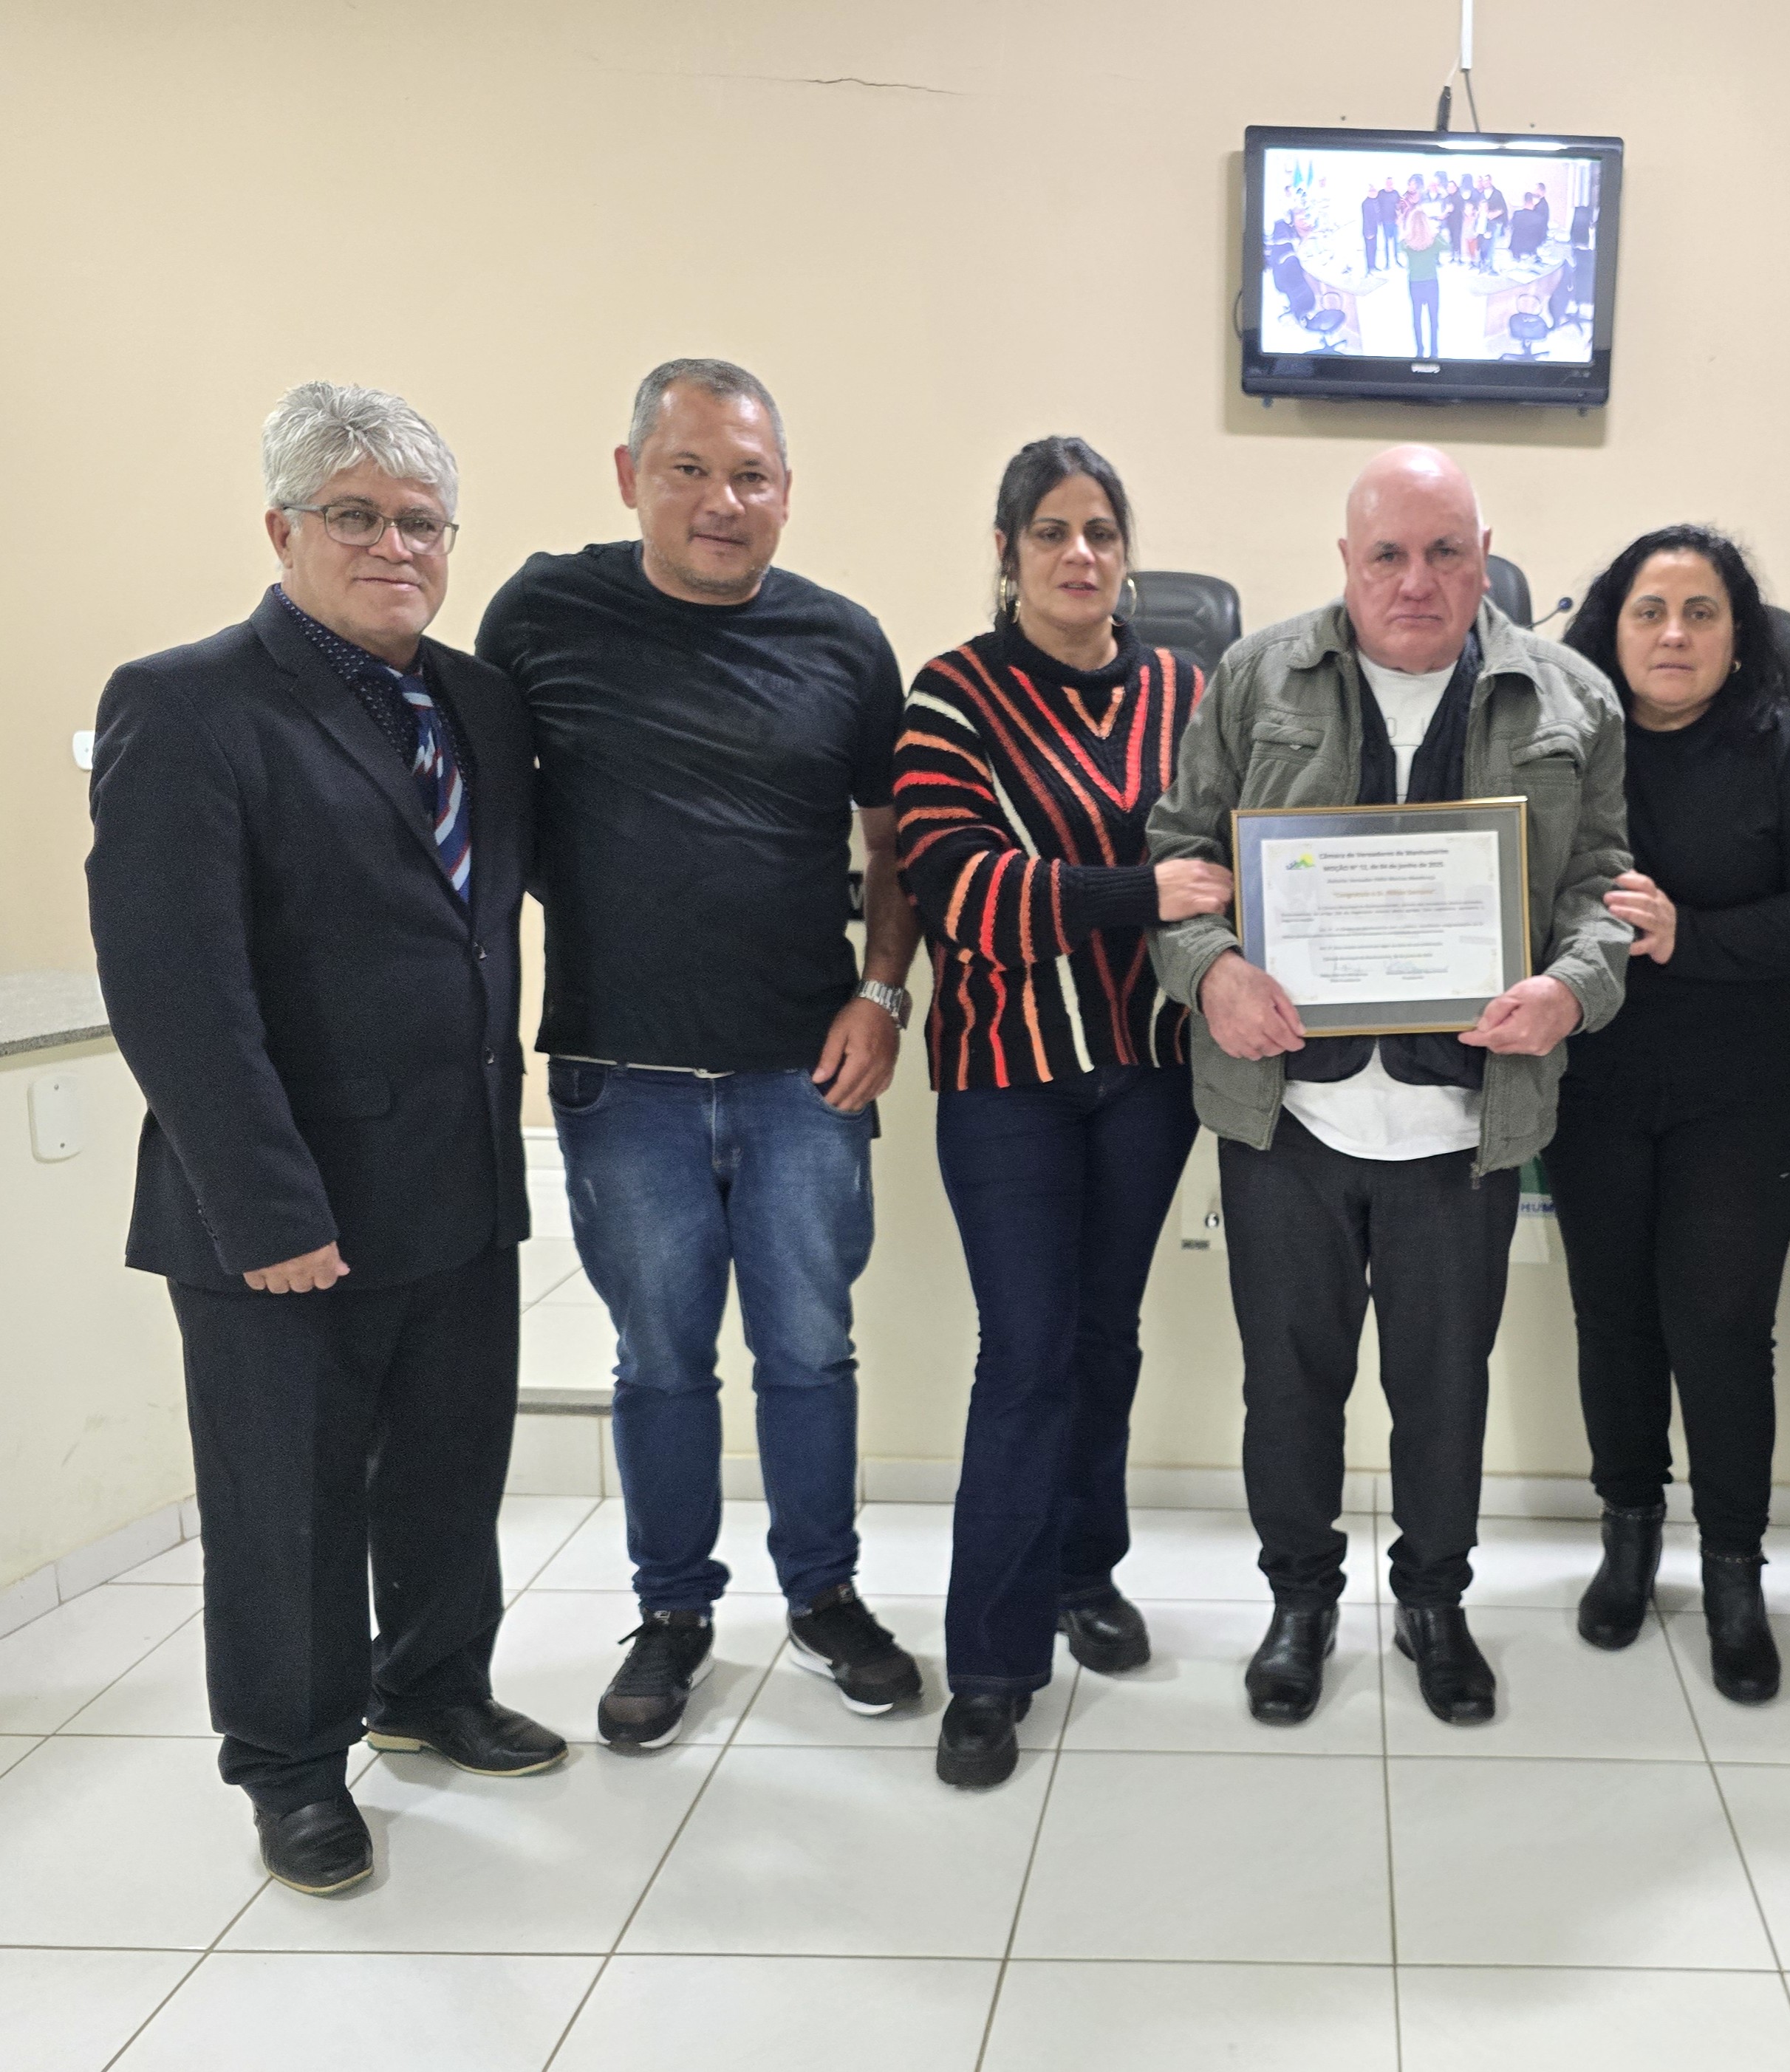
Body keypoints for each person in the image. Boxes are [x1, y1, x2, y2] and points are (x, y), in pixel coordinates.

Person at [87, 382, 564, 1898]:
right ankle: (291, 1767)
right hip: (287, 1207)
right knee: (286, 1506)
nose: (395, 546)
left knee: (446, 1469)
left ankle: (431, 1689)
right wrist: (266, 1206)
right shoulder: (188, 704)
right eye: (355, 515)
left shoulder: (479, 701)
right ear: (281, 527)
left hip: (458, 1179)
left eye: (423, 521)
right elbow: (174, 987)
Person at [477, 358, 926, 1751]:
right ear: (631, 477)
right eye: (689, 470)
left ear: (787, 493)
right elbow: (481, 813)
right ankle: (671, 1614)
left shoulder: (844, 643)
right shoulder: (540, 614)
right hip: (622, 1078)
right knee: (660, 1362)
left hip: (805, 1073)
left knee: (810, 1353)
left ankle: (824, 1596)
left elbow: (894, 845)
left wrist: (883, 993)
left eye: (750, 476)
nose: (721, 502)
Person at [1145, 445, 1629, 1729]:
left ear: (1485, 555)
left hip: (1466, 1123)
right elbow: (1178, 859)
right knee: (1287, 1387)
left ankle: (1434, 1602)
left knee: (1444, 1391)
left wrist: (1572, 989)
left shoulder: (1572, 698)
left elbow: (1604, 890)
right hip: (1287, 1116)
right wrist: (1212, 974)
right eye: (1388, 555)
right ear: (1345, 562)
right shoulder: (1255, 678)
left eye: (1445, 551)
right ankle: (1299, 1601)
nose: (1417, 581)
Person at [893, 439, 1231, 1788]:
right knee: (1026, 1354)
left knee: (1105, 1337)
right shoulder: (952, 694)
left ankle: (1087, 1570)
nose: (1078, 554)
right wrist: (1140, 894)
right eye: (1050, 532)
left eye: (1099, 530)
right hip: (1008, 1078)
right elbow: (962, 891)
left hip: (1147, 1071)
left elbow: (1234, 856)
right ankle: (990, 1663)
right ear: (1007, 552)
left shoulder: (1189, 692)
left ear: (1126, 551)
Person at [1547, 525, 1790, 1703]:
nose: (1674, 634)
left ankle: (1734, 1568)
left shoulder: (1784, 749)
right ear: (1611, 629)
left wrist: (1694, 938)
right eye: (1649, 610)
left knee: (1721, 1330)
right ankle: (1628, 1536)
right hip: (1591, 1087)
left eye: (1701, 612)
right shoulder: (1569, 746)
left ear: (1741, 636)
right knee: (1612, 1321)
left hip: (1736, 1097)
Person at [1403, 200, 1445, 356]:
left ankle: (1420, 350)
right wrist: (1436, 233)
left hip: (1415, 283)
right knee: (1433, 319)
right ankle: (1434, 351)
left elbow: (1400, 247)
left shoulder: (1406, 242)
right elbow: (1447, 246)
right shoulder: (1434, 240)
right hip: (1431, 283)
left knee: (1417, 318)